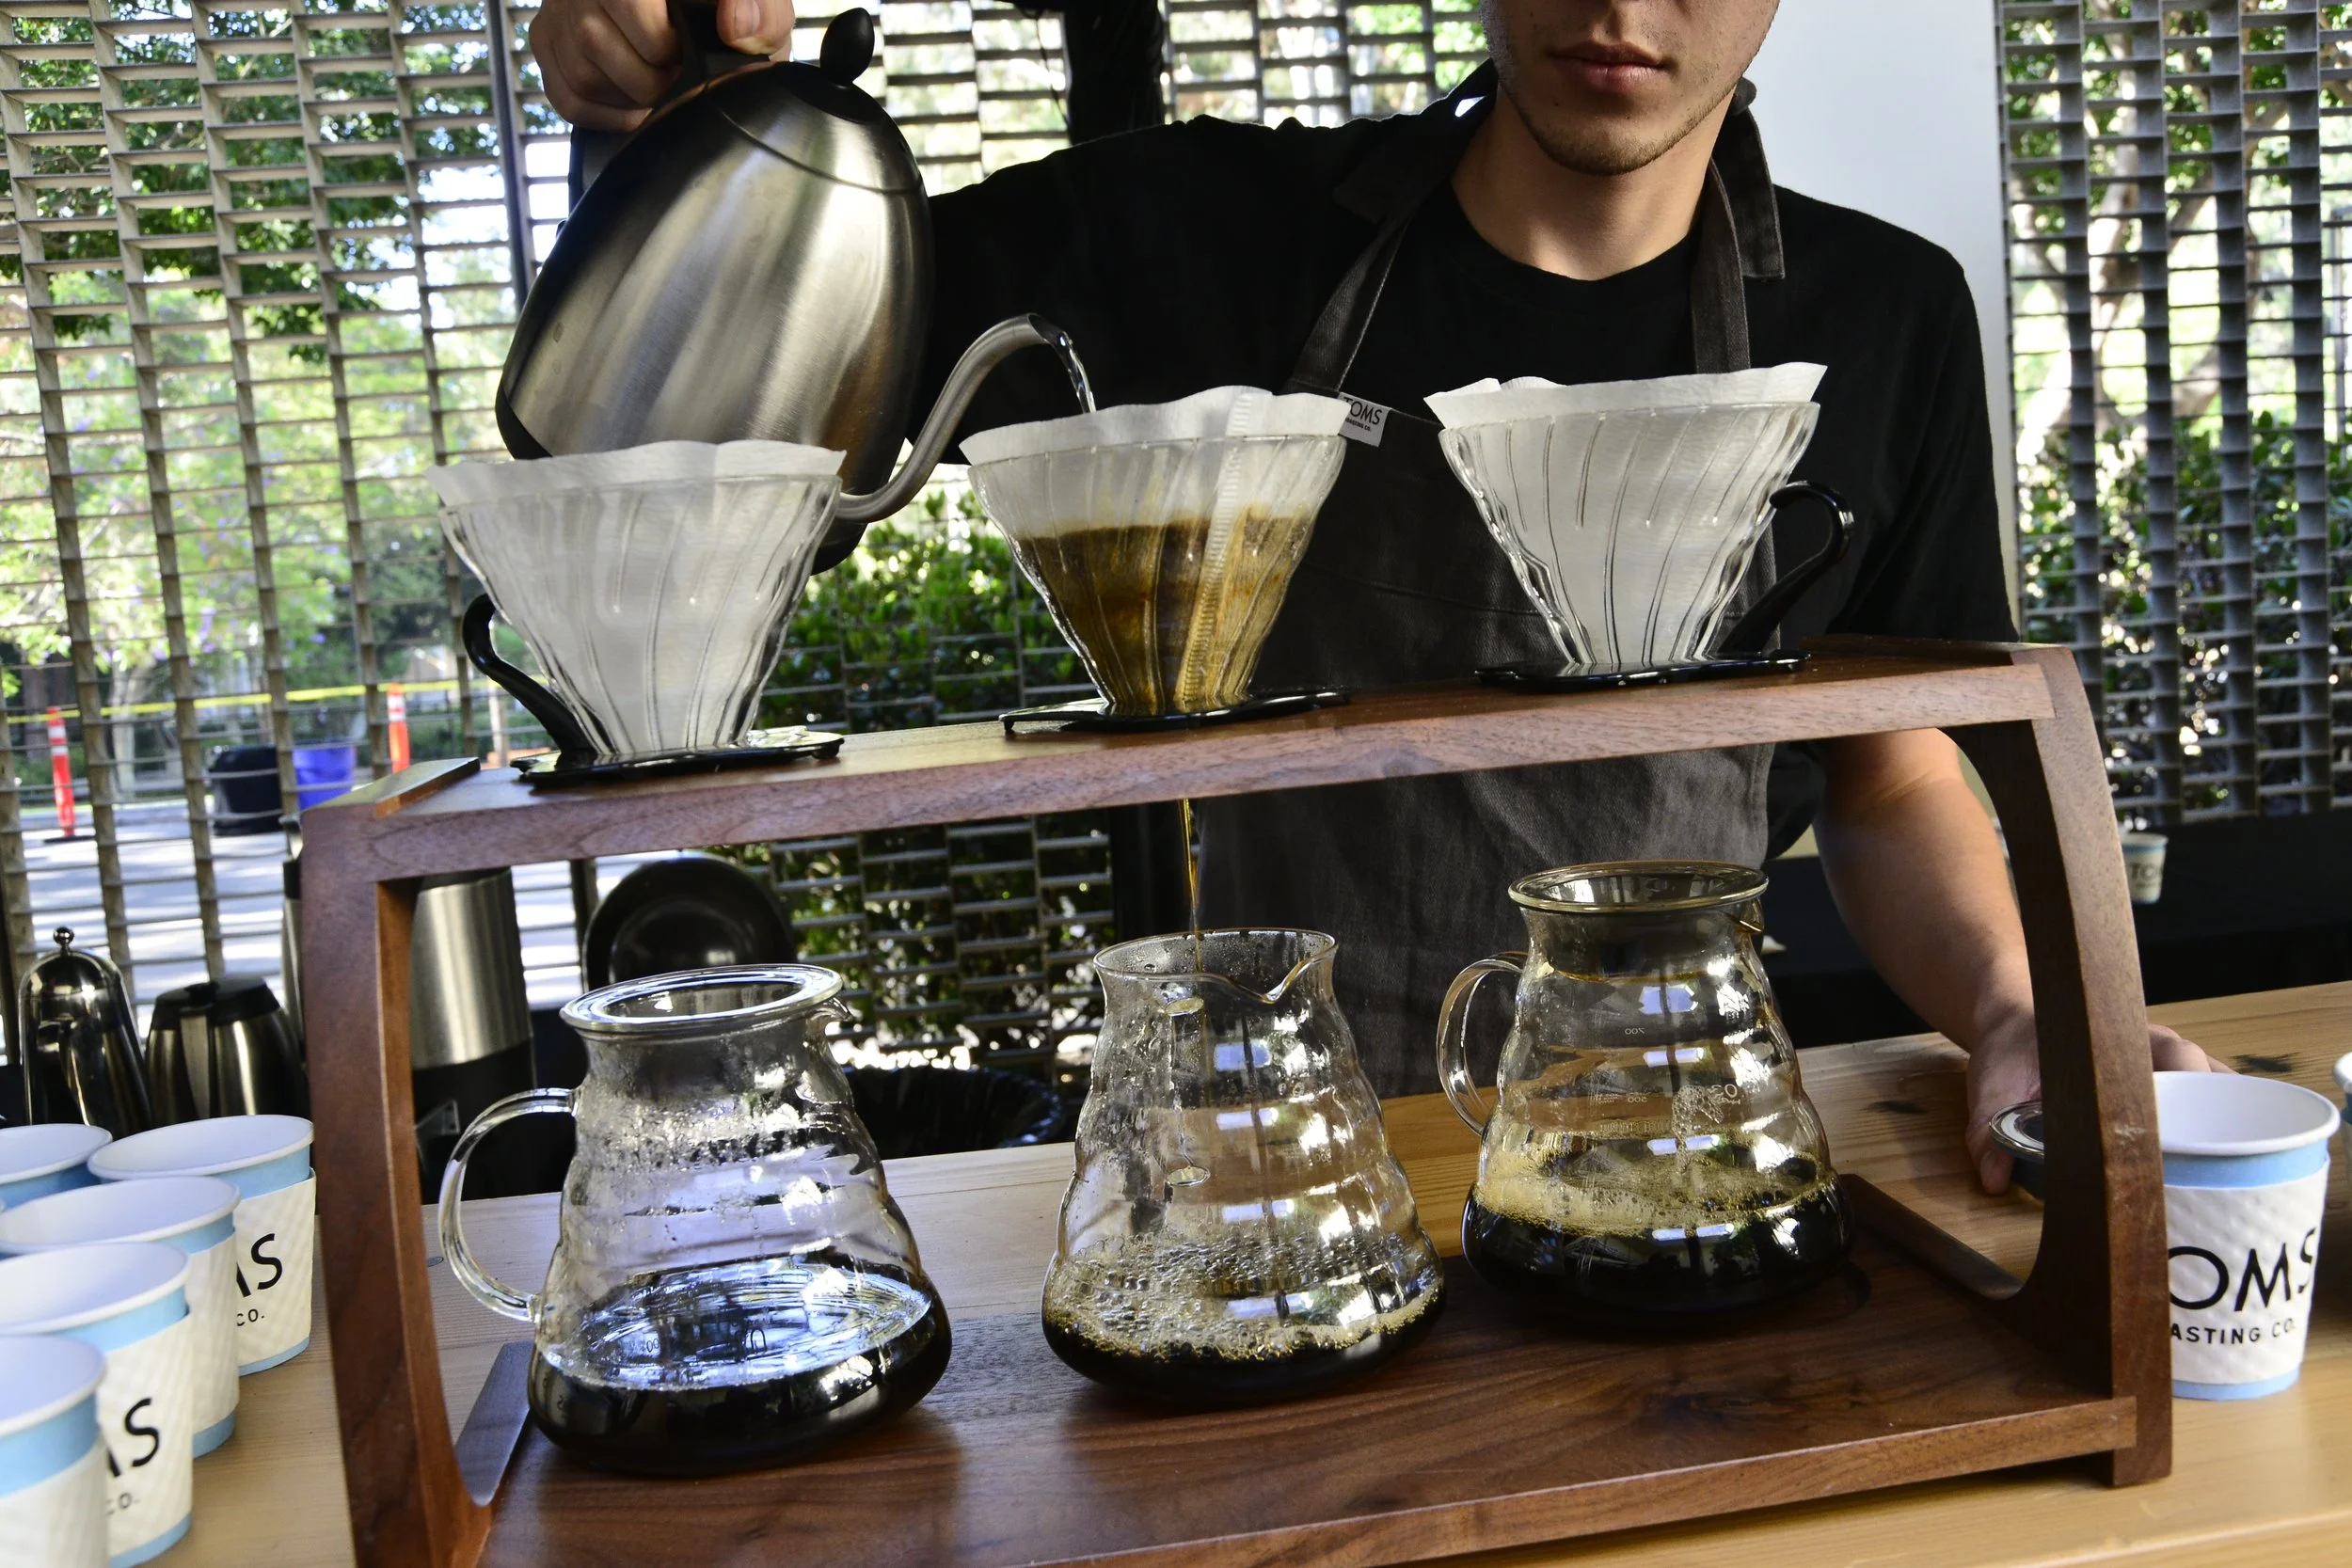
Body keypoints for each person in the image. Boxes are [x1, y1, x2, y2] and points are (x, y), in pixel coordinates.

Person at [528, 0, 2224, 1191]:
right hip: (1278, 1158)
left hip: (1676, 1138)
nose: (1623, 5)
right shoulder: (1208, 241)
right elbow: (735, 390)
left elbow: (1898, 764)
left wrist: (2020, 1014)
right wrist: (658, 111)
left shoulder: (1887, 316)